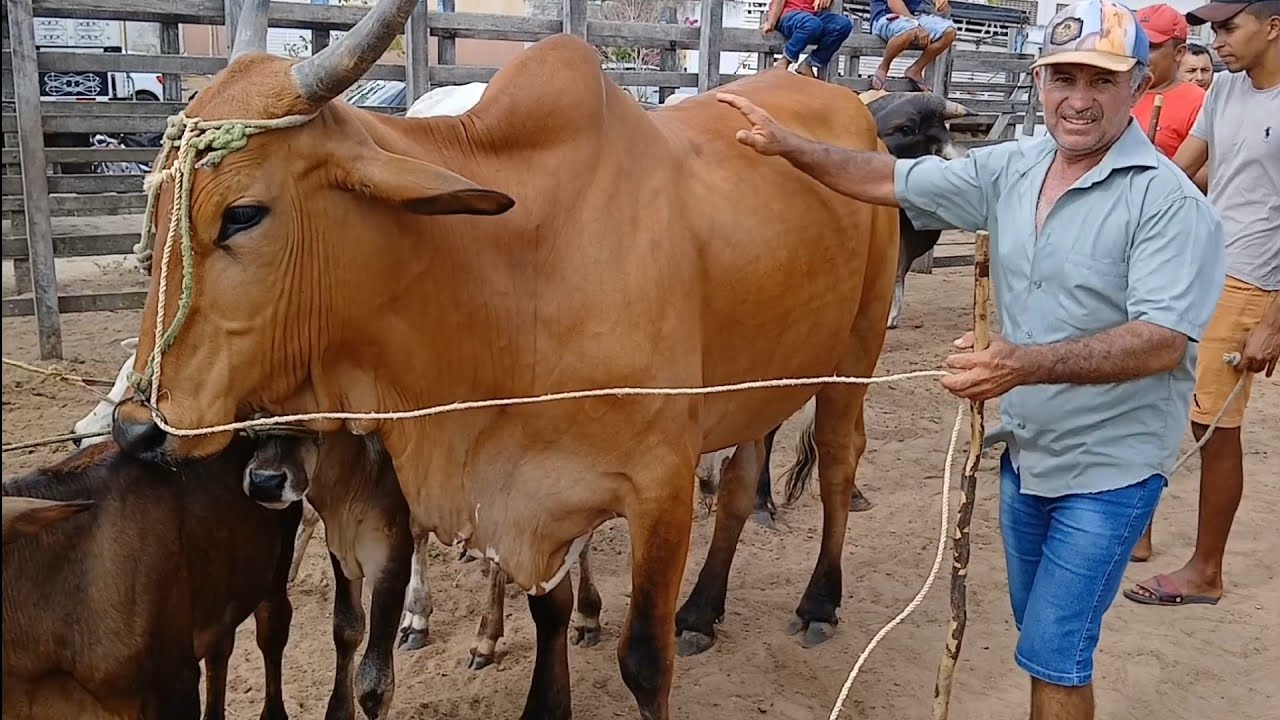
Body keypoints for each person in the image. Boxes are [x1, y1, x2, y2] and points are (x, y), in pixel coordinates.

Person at [716, 0, 1226, 717]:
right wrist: (791, 146)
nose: (1078, 100)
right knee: (1040, 638)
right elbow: (885, 180)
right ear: (1042, 82)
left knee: (1055, 652)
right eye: (1064, 77)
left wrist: (1022, 364)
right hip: (1028, 454)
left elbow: (1164, 339)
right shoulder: (1014, 169)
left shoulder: (1168, 204)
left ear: (1138, 85)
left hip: (1111, 467)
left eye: (1101, 81)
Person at [1126, 0, 1280, 607]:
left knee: (1215, 426)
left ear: (1273, 25)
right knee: (1157, 394)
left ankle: (1206, 569)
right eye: (1213, 29)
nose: (1217, 40)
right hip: (1204, 264)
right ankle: (1139, 532)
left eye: (1228, 27)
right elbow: (1184, 165)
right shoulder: (1228, 91)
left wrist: (1272, 321)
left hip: (1251, 278)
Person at [1131, 4, 1206, 158]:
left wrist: (1164, 164)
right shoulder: (1117, 92)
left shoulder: (1200, 103)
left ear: (1179, 53)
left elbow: (1212, 171)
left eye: (1150, 47)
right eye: (1135, 45)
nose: (1139, 54)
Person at [868, 0, 958, 91]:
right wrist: (916, 25)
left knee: (949, 31)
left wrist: (943, 6)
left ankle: (916, 69)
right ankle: (883, 67)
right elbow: (894, 4)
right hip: (884, 18)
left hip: (910, 17)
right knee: (911, 30)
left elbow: (945, 13)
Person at [760, 0, 855, 79]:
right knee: (812, 23)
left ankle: (809, 64)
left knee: (843, 25)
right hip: (790, 15)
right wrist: (771, 21)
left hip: (813, 16)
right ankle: (784, 61)